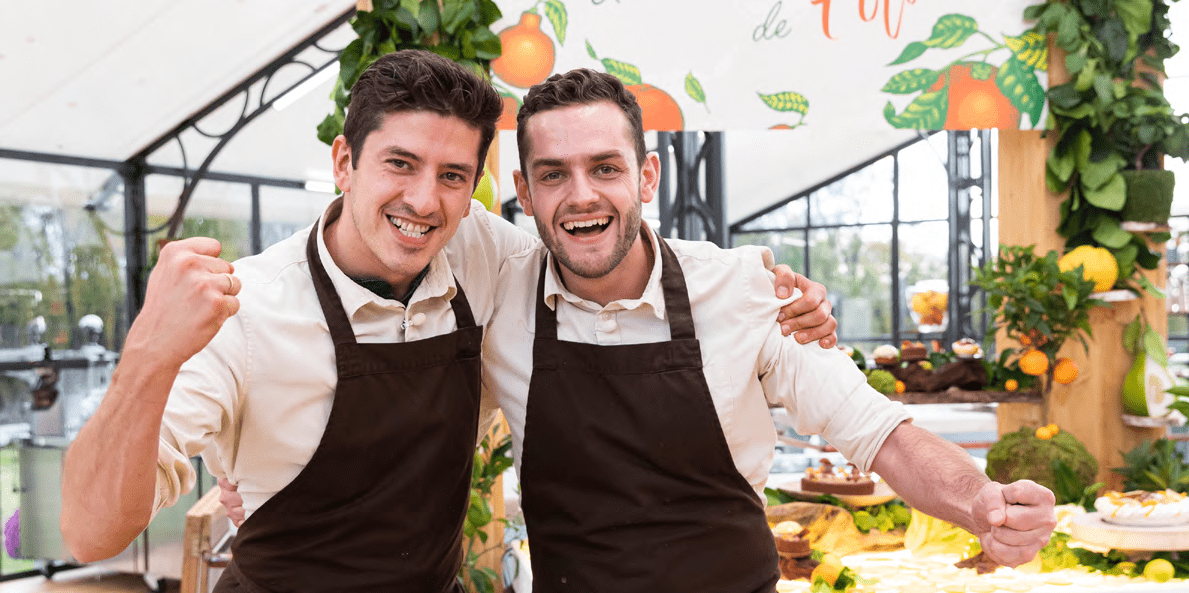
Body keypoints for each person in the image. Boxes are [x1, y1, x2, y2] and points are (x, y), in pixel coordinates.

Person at [58, 50, 836, 592]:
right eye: (399, 163)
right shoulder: (247, 310)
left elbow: (616, 245)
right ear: (343, 162)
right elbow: (92, 535)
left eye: (453, 176)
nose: (424, 201)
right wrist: (147, 358)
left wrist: (762, 286)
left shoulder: (484, 255)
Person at [477, 69, 1056, 591]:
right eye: (553, 175)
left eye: (606, 168)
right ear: (523, 193)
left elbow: (879, 432)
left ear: (647, 177)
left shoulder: (746, 292)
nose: (582, 195)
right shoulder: (497, 293)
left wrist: (980, 501)